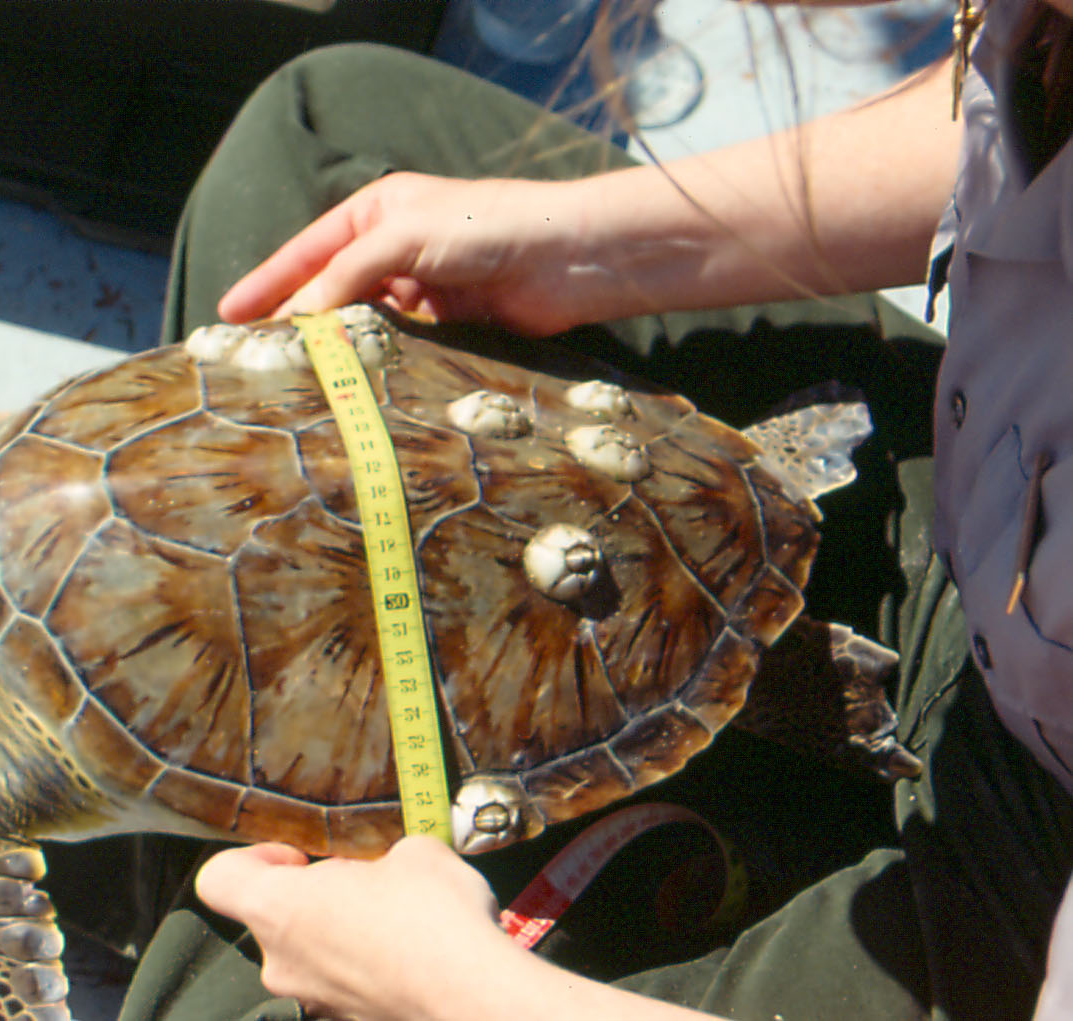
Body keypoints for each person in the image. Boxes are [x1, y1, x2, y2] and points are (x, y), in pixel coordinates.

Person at [60, 2, 1073, 1018]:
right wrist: (586, 248)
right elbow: (1009, 117)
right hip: (981, 474)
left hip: (1023, 883)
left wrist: (452, 992)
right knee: (329, 140)